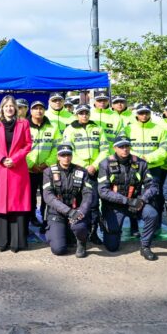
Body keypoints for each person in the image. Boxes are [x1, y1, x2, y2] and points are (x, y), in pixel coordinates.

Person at [97, 136, 161, 261]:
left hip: (136, 203)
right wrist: (127, 201)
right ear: (114, 148)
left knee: (152, 214)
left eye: (127, 146)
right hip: (114, 205)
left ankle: (145, 246)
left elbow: (153, 186)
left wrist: (142, 200)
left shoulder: (140, 163)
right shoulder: (105, 164)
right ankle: (108, 225)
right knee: (112, 247)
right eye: (121, 147)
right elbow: (103, 191)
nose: (125, 149)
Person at [0, 95, 33, 252]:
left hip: (17, 169)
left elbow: (27, 144)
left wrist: (14, 159)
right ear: (2, 108)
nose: (9, 108)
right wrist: (1, 159)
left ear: (16, 108)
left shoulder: (24, 123)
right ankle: (1, 241)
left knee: (17, 204)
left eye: (11, 106)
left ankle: (16, 242)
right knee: (0, 205)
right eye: (6, 106)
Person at [62, 104, 107, 244]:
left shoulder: (98, 128)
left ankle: (93, 233)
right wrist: (83, 166)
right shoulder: (70, 129)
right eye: (81, 113)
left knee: (93, 203)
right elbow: (68, 151)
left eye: (86, 113)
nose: (84, 115)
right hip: (77, 170)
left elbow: (105, 149)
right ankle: (77, 233)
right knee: (77, 201)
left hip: (94, 171)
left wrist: (94, 165)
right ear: (76, 115)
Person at [43, 142, 95, 258]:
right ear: (58, 157)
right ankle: (59, 234)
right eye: (63, 155)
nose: (66, 158)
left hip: (76, 211)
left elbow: (88, 194)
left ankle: (81, 242)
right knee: (59, 249)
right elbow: (48, 196)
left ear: (72, 156)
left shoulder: (82, 171)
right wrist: (68, 211)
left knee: (80, 227)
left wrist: (81, 211)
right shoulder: (48, 172)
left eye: (68, 155)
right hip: (57, 213)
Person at [125, 104, 167, 230]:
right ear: (136, 114)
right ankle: (134, 226)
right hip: (134, 166)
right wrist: (139, 158)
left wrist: (148, 158)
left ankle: (156, 225)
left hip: (154, 167)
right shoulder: (128, 129)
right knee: (133, 194)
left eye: (146, 113)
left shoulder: (159, 129)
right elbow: (124, 148)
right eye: (141, 113)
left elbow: (164, 149)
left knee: (155, 196)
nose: (144, 115)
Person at [26, 101, 60, 229]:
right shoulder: (24, 126)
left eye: (41, 108)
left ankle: (46, 220)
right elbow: (20, 147)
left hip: (47, 169)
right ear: (31, 111)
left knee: (47, 196)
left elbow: (57, 148)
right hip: (29, 170)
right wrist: (31, 164)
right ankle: (31, 217)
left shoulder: (53, 127)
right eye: (35, 108)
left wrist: (47, 163)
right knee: (30, 196)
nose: (38, 111)